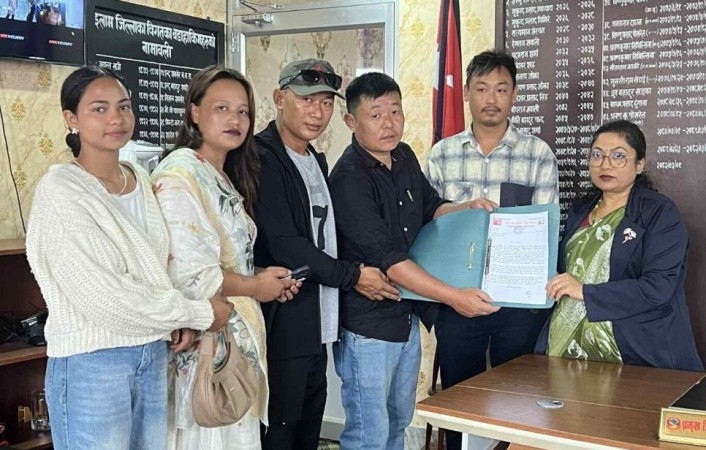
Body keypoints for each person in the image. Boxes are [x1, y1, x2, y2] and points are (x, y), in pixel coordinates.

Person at [25, 66, 232, 450]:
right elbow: (104, 297)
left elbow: (154, 270)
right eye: (99, 109)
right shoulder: (61, 191)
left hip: (152, 353)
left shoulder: (138, 176)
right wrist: (196, 313)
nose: (116, 119)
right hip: (92, 364)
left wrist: (174, 322)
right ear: (71, 119)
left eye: (123, 106)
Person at [329, 71, 499, 450]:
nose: (389, 123)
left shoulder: (403, 155)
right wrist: (456, 297)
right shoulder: (348, 179)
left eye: (395, 111)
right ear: (351, 121)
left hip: (406, 317)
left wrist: (465, 208)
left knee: (398, 423)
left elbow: (430, 206)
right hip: (369, 327)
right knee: (368, 435)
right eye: (376, 115)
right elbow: (391, 262)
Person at [253, 59, 400, 450]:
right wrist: (353, 276)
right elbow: (286, 244)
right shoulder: (262, 157)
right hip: (283, 319)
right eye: (306, 100)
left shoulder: (314, 158)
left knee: (308, 427)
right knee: (280, 429)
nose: (317, 112)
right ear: (279, 98)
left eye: (326, 102)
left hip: (317, 321)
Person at [151, 65, 300, 450]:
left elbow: (226, 260)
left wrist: (264, 278)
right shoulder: (180, 173)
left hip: (234, 344)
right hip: (204, 345)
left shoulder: (222, 173)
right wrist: (256, 287)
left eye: (243, 111)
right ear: (194, 112)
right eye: (222, 108)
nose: (235, 120)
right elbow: (191, 274)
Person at [423, 50, 559, 450]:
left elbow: (546, 231)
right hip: (457, 298)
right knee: (459, 395)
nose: (491, 99)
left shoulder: (537, 154)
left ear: (514, 94)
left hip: (517, 302)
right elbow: (427, 224)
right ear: (466, 93)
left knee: (517, 397)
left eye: (501, 89)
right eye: (481, 89)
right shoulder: (442, 154)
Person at [536, 120, 703, 372]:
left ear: (639, 164)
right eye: (597, 155)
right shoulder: (580, 210)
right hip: (566, 346)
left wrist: (586, 292)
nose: (606, 164)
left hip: (635, 349)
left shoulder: (658, 212)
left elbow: (658, 287)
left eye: (618, 156)